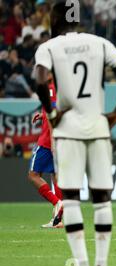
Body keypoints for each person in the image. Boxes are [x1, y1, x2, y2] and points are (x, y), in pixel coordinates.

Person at [34, 2, 116, 266]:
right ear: (78, 19)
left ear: (55, 19)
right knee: (102, 198)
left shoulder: (49, 47)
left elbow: (39, 79)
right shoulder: (99, 42)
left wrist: (52, 113)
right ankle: (102, 265)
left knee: (70, 198)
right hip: (98, 128)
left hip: (68, 131)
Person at [29, 77, 64, 228]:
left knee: (33, 175)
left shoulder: (50, 88)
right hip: (58, 139)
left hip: (47, 142)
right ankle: (58, 220)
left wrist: (52, 139)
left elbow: (52, 116)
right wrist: (42, 115)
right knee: (55, 176)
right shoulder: (61, 87)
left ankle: (57, 202)